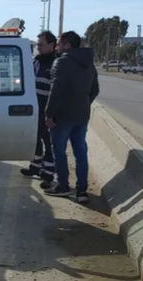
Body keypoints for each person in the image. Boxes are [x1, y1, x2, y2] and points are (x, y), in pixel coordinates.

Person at [43, 31, 100, 204]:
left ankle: (63, 186)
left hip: (63, 116)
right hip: (82, 115)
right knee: (80, 152)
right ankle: (82, 190)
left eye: (59, 44)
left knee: (59, 151)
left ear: (67, 46)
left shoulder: (61, 63)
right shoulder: (89, 64)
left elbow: (56, 90)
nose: (56, 47)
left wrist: (49, 113)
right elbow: (95, 90)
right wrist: (84, 103)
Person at [20, 31, 58, 188]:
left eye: (41, 44)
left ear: (52, 45)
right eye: (37, 45)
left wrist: (52, 113)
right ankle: (35, 167)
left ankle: (48, 174)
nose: (39, 47)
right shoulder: (36, 62)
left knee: (49, 143)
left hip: (49, 111)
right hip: (35, 109)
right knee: (35, 139)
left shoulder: (56, 64)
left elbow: (58, 91)